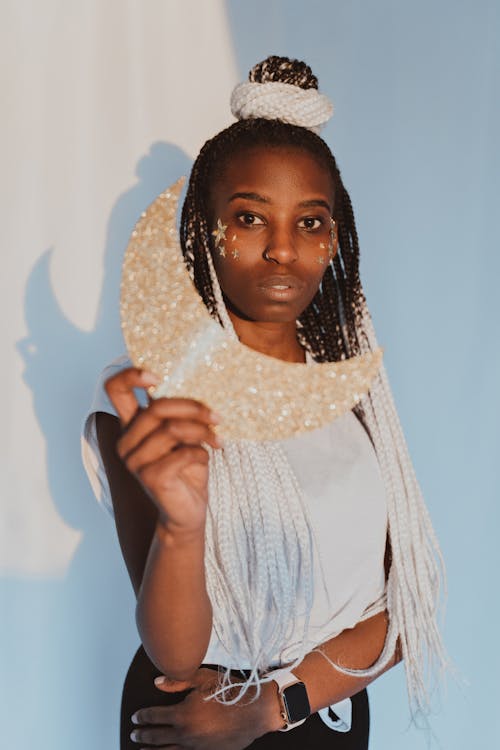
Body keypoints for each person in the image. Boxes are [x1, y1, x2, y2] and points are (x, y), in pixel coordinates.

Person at [82, 56, 447, 749]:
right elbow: (177, 656)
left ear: (334, 241)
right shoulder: (153, 402)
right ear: (202, 232)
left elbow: (405, 614)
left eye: (310, 223)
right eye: (250, 218)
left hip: (320, 715)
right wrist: (183, 527)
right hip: (191, 719)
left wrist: (277, 705)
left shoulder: (360, 398)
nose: (283, 250)